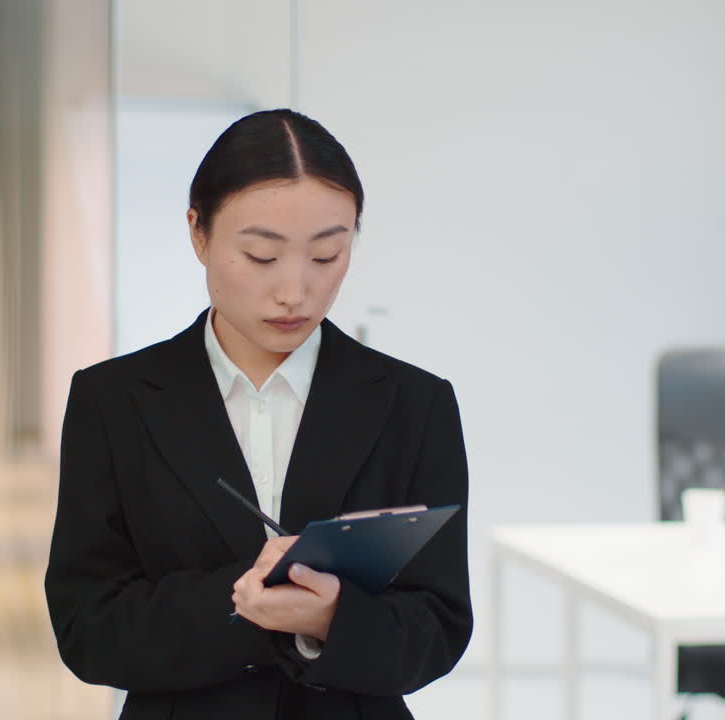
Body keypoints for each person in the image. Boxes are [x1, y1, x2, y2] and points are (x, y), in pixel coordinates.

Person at [45, 108, 471, 719]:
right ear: (199, 233)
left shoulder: (415, 403)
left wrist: (332, 621)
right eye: (261, 256)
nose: (295, 292)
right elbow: (88, 626)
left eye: (327, 256)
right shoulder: (114, 400)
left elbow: (440, 623)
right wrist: (247, 601)